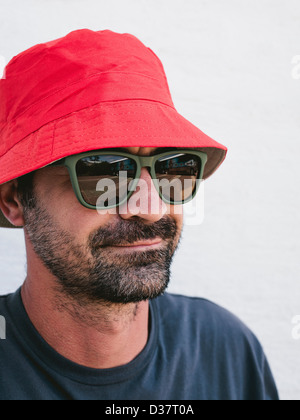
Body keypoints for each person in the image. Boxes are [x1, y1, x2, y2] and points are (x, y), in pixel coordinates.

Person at [0, 29, 279, 400]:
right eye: (103, 170)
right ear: (14, 201)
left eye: (172, 168)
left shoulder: (224, 348)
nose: (150, 208)